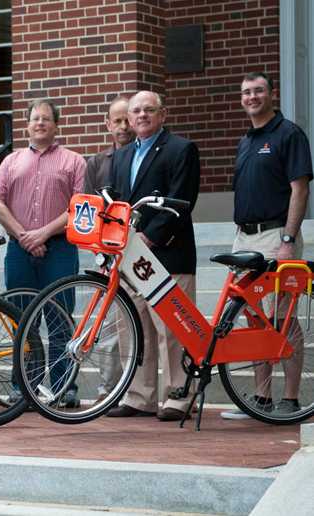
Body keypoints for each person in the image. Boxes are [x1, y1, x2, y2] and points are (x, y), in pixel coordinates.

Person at [221, 72, 312, 419]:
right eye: (246, 92)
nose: (252, 96)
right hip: (244, 238)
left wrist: (288, 240)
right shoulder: (246, 140)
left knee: (282, 317)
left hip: (276, 236)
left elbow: (299, 189)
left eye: (259, 90)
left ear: (271, 94)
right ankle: (260, 399)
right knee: (254, 317)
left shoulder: (289, 134)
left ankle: (289, 400)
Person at [106, 91, 201, 422]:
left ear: (163, 114)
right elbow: (115, 204)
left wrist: (148, 237)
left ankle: (177, 396)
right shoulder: (120, 157)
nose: (142, 115)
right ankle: (139, 395)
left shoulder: (181, 149)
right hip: (129, 257)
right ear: (129, 119)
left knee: (172, 330)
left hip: (168, 254)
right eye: (136, 111)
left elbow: (182, 200)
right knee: (134, 327)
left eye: (149, 109)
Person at [0, 99, 86, 408]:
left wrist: (42, 233)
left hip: (59, 247)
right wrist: (24, 236)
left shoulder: (74, 161)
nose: (40, 123)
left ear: (56, 125)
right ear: (27, 124)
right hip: (19, 249)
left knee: (59, 319)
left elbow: (78, 207)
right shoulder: (10, 161)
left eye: (46, 119)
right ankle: (25, 387)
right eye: (35, 118)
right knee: (23, 320)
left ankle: (63, 388)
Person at [86, 97, 134, 402]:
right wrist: (97, 250)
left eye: (126, 119)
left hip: (142, 252)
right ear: (107, 124)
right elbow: (88, 210)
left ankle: (139, 393)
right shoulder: (96, 163)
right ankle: (108, 391)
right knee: (110, 330)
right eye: (116, 121)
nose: (123, 127)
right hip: (108, 254)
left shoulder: (144, 158)